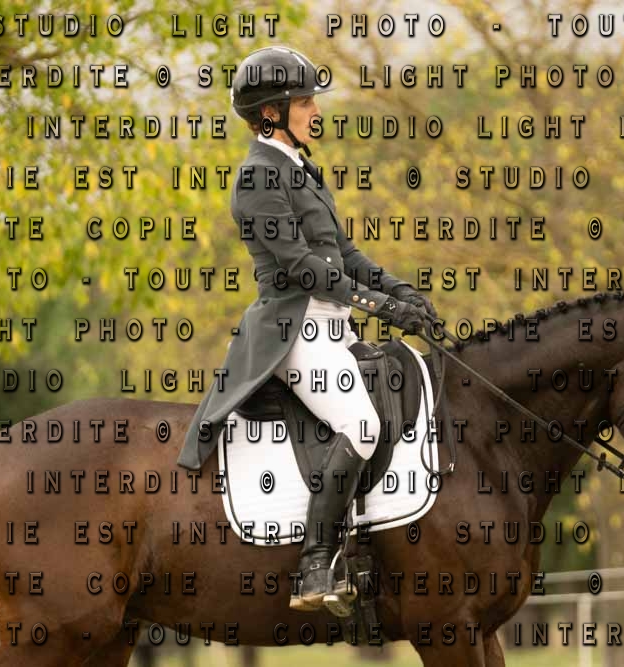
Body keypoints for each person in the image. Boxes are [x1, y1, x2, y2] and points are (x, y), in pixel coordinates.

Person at [176, 46, 437, 613]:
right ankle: (315, 565)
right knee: (361, 424)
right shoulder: (257, 177)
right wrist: (379, 306)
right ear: (271, 113)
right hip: (293, 332)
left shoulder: (300, 169)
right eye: (304, 102)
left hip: (333, 327)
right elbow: (302, 267)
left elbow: (344, 254)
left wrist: (401, 293)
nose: (315, 110)